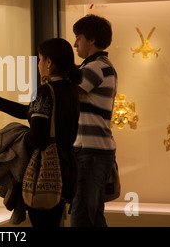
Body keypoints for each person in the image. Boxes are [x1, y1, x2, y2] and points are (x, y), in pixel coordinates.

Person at [0, 38, 82, 227]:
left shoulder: (45, 91)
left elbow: (38, 137)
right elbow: (29, 112)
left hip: (45, 172)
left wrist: (16, 137)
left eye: (40, 59)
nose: (39, 65)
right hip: (67, 167)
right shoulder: (71, 90)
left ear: (49, 63)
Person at [70, 14, 118, 227]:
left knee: (83, 216)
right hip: (93, 150)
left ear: (91, 39)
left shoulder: (95, 67)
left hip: (92, 151)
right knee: (91, 215)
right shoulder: (97, 66)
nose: (74, 44)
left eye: (78, 38)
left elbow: (66, 94)